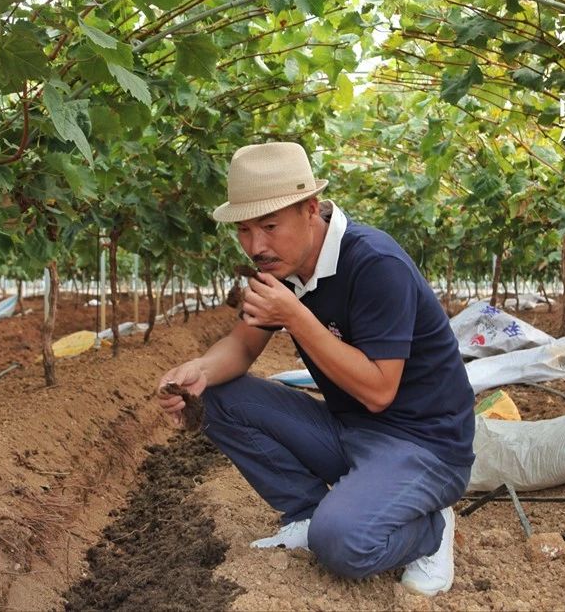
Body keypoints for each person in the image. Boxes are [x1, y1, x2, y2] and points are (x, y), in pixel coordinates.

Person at [157, 141, 475, 596]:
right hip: (350, 431)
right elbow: (242, 347)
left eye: (269, 226)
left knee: (342, 544)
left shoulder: (375, 264)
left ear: (310, 209)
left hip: (425, 446)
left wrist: (295, 316)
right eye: (243, 230)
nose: (256, 246)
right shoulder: (280, 267)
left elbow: (379, 391)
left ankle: (430, 529)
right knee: (214, 392)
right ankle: (306, 513)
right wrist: (198, 369)